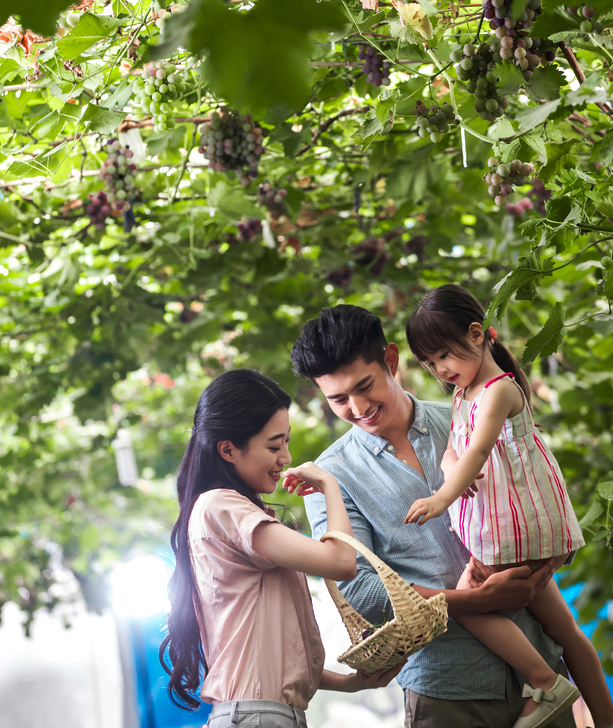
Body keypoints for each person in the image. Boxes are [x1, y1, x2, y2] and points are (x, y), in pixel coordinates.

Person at [292, 303, 579, 728]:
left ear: (390, 359)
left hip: (542, 682)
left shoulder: (476, 413)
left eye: (365, 385)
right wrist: (473, 602)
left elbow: (539, 501)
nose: (357, 406)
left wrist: (543, 570)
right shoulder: (330, 477)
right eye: (338, 399)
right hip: (445, 689)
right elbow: (364, 594)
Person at [404, 284, 613, 728]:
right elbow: (455, 453)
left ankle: (545, 687)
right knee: (565, 629)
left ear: (477, 334)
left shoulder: (499, 390)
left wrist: (443, 498)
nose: (441, 368)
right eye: (431, 362)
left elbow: (478, 452)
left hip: (521, 524)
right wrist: (450, 470)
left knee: (468, 603)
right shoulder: (463, 395)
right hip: (516, 525)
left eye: (445, 355)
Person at [160, 368, 402, 728]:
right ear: (228, 449)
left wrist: (349, 683)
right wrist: (330, 486)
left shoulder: (224, 511)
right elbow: (342, 562)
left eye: (286, 442)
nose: (286, 457)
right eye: (274, 446)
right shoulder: (222, 507)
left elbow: (266, 650)